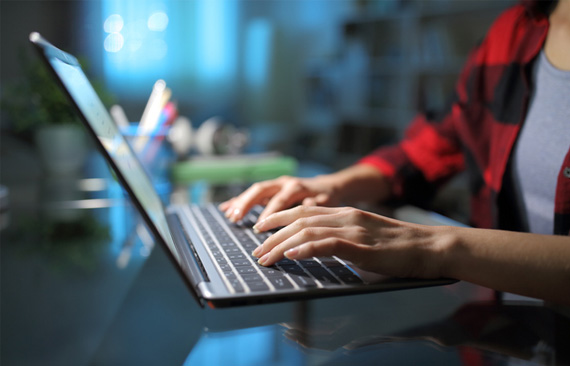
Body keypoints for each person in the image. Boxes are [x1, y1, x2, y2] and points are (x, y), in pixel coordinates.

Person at [220, 0, 570, 305]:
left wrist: (433, 248)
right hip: (499, 327)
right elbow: (434, 145)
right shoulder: (515, 29)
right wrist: (331, 185)